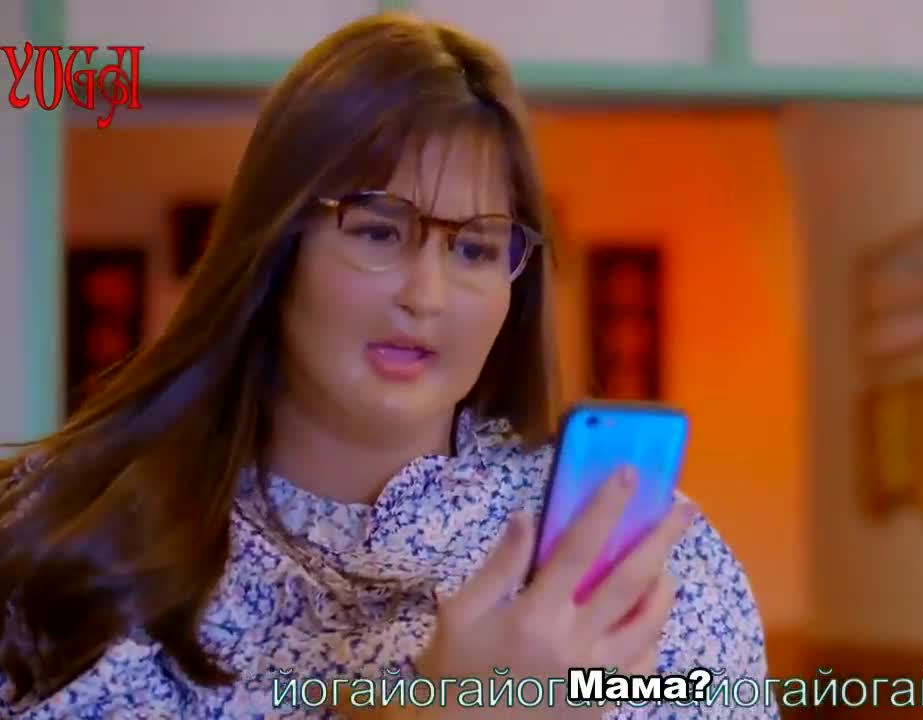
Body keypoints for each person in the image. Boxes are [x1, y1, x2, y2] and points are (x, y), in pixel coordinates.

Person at [0, 12, 775, 720]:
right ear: (276, 242)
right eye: (377, 232)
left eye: (474, 249)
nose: (426, 295)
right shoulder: (64, 537)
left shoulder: (648, 567)